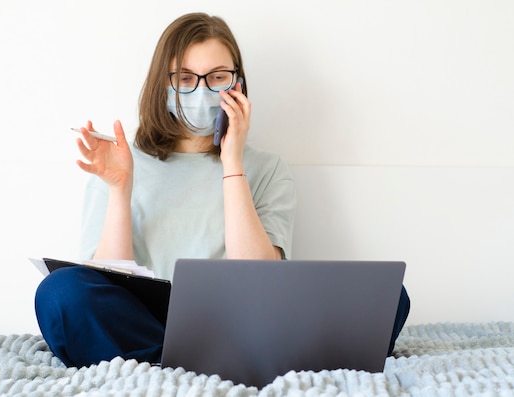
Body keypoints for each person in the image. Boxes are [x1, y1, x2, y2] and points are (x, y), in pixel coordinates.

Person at [34, 12, 409, 368]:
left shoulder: (267, 168)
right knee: (61, 291)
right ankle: (212, 365)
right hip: (152, 323)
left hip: (243, 325)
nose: (200, 91)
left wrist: (232, 161)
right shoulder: (121, 162)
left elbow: (263, 281)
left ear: (238, 84)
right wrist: (119, 189)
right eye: (184, 79)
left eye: (217, 77)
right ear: (160, 85)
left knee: (388, 298)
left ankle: (173, 365)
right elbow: (104, 285)